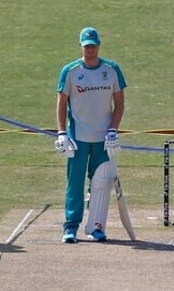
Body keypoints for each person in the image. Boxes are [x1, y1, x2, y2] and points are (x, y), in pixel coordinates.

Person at [55, 26, 127, 243]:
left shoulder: (112, 70)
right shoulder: (70, 71)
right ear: (81, 46)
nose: (90, 50)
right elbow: (61, 103)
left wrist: (113, 129)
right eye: (86, 46)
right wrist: (61, 133)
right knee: (74, 184)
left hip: (103, 138)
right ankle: (70, 228)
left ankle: (96, 227)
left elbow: (120, 104)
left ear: (99, 45)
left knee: (100, 184)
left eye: (93, 46)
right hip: (77, 137)